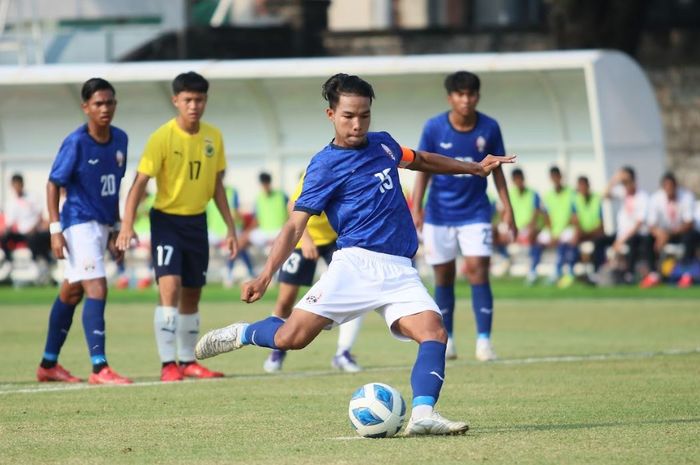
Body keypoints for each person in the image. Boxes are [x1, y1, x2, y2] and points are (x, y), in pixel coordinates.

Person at [195, 73, 514, 436]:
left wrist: (472, 167)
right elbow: (294, 226)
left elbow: (421, 159)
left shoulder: (384, 146)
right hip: (355, 264)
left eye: (364, 115)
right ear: (330, 114)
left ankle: (423, 414)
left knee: (434, 332)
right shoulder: (323, 166)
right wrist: (266, 274)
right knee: (291, 339)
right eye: (349, 115)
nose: (358, 123)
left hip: (399, 269)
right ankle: (243, 333)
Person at [116, 71, 238, 382]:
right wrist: (127, 224)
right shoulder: (162, 137)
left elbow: (217, 186)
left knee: (193, 293)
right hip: (167, 221)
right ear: (176, 101)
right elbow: (140, 183)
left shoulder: (215, 137)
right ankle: (167, 363)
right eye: (187, 100)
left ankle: (188, 361)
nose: (194, 105)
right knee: (169, 288)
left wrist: (231, 228)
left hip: (197, 222)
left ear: (205, 101)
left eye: (199, 99)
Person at [411, 71, 515, 362]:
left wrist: (507, 208)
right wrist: (417, 207)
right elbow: (423, 167)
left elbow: (498, 170)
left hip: (476, 213)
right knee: (443, 277)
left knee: (477, 272)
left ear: (477, 96)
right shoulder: (434, 128)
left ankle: (484, 341)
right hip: (439, 215)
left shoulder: (490, 128)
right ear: (450, 98)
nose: (466, 100)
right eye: (460, 94)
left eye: (471, 94)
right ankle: (449, 339)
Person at [36, 78, 131, 384]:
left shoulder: (121, 140)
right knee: (97, 288)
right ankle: (99, 367)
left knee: (71, 291)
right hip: (77, 223)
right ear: (86, 107)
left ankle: (48, 364)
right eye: (98, 104)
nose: (105, 109)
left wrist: (117, 228)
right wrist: (55, 229)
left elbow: (112, 188)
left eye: (110, 102)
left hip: (102, 225)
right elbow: (54, 183)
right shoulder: (76, 142)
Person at [263, 171, 363, 373]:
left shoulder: (353, 175)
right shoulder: (318, 172)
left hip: (335, 239)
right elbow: (292, 205)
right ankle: (277, 349)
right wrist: (307, 240)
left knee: (355, 292)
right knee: (285, 299)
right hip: (304, 238)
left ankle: (343, 353)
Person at [641, 172, 697, 288]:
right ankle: (653, 275)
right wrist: (659, 234)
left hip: (681, 232)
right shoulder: (656, 198)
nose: (669, 189)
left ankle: (686, 274)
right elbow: (651, 223)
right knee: (647, 238)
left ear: (676, 186)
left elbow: (689, 222)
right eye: (666, 186)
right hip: (663, 233)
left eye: (671, 186)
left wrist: (668, 235)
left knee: (690, 237)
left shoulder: (686, 196)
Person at [602, 166, 653, 284]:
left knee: (632, 242)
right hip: (621, 233)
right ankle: (598, 274)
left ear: (634, 181)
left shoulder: (642, 197)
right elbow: (604, 195)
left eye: (627, 182)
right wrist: (615, 179)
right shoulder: (622, 192)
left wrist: (621, 240)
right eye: (623, 183)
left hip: (636, 235)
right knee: (599, 242)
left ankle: (629, 274)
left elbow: (639, 224)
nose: (625, 185)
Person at [1, 173, 52, 266]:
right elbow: (10, 222)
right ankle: (9, 261)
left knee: (36, 239)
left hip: (34, 232)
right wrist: (5, 231)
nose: (17, 187)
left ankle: (41, 261)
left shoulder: (33, 197)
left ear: (22, 184)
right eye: (15, 185)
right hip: (21, 233)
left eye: (18, 184)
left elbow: (40, 215)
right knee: (4, 238)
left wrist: (34, 228)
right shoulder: (10, 202)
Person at [507, 168, 546, 285]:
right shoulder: (509, 194)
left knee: (535, 239)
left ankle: (532, 270)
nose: (518, 182)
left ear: (523, 179)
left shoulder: (533, 194)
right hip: (514, 229)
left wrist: (531, 227)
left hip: (528, 229)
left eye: (520, 179)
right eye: (516, 179)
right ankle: (505, 261)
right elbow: (504, 212)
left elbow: (537, 213)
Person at [541, 166, 576, 287]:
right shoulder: (548, 195)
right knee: (538, 241)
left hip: (567, 229)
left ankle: (563, 271)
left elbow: (574, 215)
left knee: (566, 239)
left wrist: (559, 233)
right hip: (553, 231)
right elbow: (546, 216)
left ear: (560, 177)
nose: (555, 179)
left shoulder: (571, 193)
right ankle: (533, 271)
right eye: (552, 177)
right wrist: (551, 233)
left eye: (557, 176)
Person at [238, 172, 288, 251]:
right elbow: (256, 219)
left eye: (266, 183)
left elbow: (290, 214)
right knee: (241, 241)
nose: (265, 186)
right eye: (263, 184)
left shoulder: (282, 195)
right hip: (264, 232)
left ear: (269, 183)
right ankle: (247, 264)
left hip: (279, 231)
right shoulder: (259, 198)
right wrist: (246, 233)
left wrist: (284, 230)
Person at [570, 176, 605, 282]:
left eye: (584, 186)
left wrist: (586, 233)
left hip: (594, 234)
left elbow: (601, 225)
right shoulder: (576, 200)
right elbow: (575, 221)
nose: (582, 189)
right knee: (572, 242)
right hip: (583, 234)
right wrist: (580, 233)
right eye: (580, 186)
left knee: (597, 243)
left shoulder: (596, 199)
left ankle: (594, 272)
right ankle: (574, 272)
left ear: (588, 186)